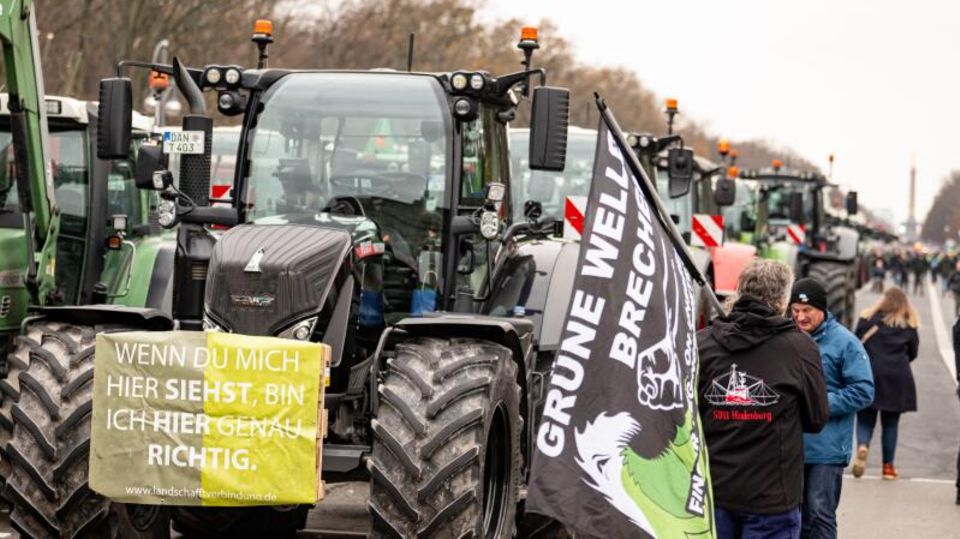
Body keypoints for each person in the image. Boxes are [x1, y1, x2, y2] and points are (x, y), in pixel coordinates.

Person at [698, 260, 830, 539]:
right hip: (772, 498)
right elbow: (816, 419)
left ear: (739, 291)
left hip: (712, 491)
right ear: (783, 300)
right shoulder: (800, 348)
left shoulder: (703, 344)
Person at [790, 277, 874, 539]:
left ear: (822, 310)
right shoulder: (788, 338)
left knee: (819, 514)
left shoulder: (846, 343)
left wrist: (819, 404)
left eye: (807, 311)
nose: (800, 317)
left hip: (825, 451)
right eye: (795, 311)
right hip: (790, 448)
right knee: (795, 518)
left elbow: (864, 391)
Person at [851, 287, 919, 480]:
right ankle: (888, 468)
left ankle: (863, 445)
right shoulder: (908, 325)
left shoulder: (867, 320)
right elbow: (913, 353)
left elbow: (855, 344)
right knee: (890, 424)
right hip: (897, 377)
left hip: (870, 374)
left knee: (865, 417)